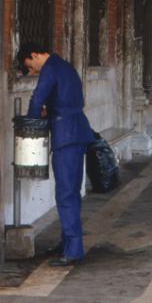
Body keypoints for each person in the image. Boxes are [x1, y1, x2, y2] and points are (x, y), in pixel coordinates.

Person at [17, 42, 96, 267]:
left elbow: (37, 98)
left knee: (65, 194)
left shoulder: (50, 68)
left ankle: (74, 250)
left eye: (30, 66)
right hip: (78, 130)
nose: (32, 72)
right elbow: (68, 99)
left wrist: (32, 124)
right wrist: (50, 111)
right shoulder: (65, 65)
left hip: (66, 135)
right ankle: (67, 243)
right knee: (71, 191)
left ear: (34, 55)